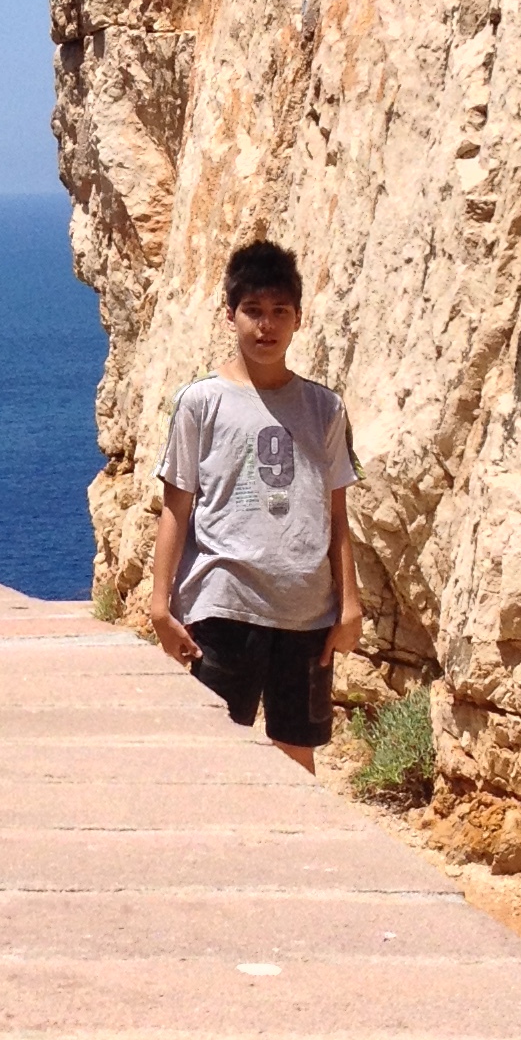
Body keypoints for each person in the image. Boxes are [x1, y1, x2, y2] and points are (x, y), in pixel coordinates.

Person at [147, 239, 361, 770]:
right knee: (215, 754)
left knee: (297, 755)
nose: (266, 326)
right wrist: (160, 603)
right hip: (224, 605)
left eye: (279, 313)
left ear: (298, 319)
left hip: (307, 611)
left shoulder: (324, 407)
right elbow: (176, 506)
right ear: (230, 315)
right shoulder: (201, 402)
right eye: (254, 311)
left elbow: (336, 513)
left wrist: (350, 604)